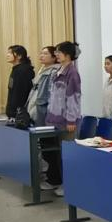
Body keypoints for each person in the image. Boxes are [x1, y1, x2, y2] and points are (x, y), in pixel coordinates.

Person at [40, 41, 82, 195]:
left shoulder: (72, 73)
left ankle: (69, 186)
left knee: (67, 156)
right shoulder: (58, 71)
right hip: (54, 120)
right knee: (57, 155)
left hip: (67, 122)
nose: (56, 54)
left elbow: (73, 98)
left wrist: (71, 119)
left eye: (59, 52)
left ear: (68, 55)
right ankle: (58, 182)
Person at [25, 46, 59, 127]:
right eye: (41, 53)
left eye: (45, 54)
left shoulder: (54, 72)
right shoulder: (42, 69)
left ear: (54, 57)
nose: (41, 56)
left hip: (43, 107)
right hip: (34, 104)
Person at [5, 45, 35, 122]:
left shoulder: (22, 70)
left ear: (19, 56)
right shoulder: (16, 69)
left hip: (19, 114)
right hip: (14, 112)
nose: (7, 55)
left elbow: (21, 93)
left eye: (10, 53)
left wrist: (14, 112)